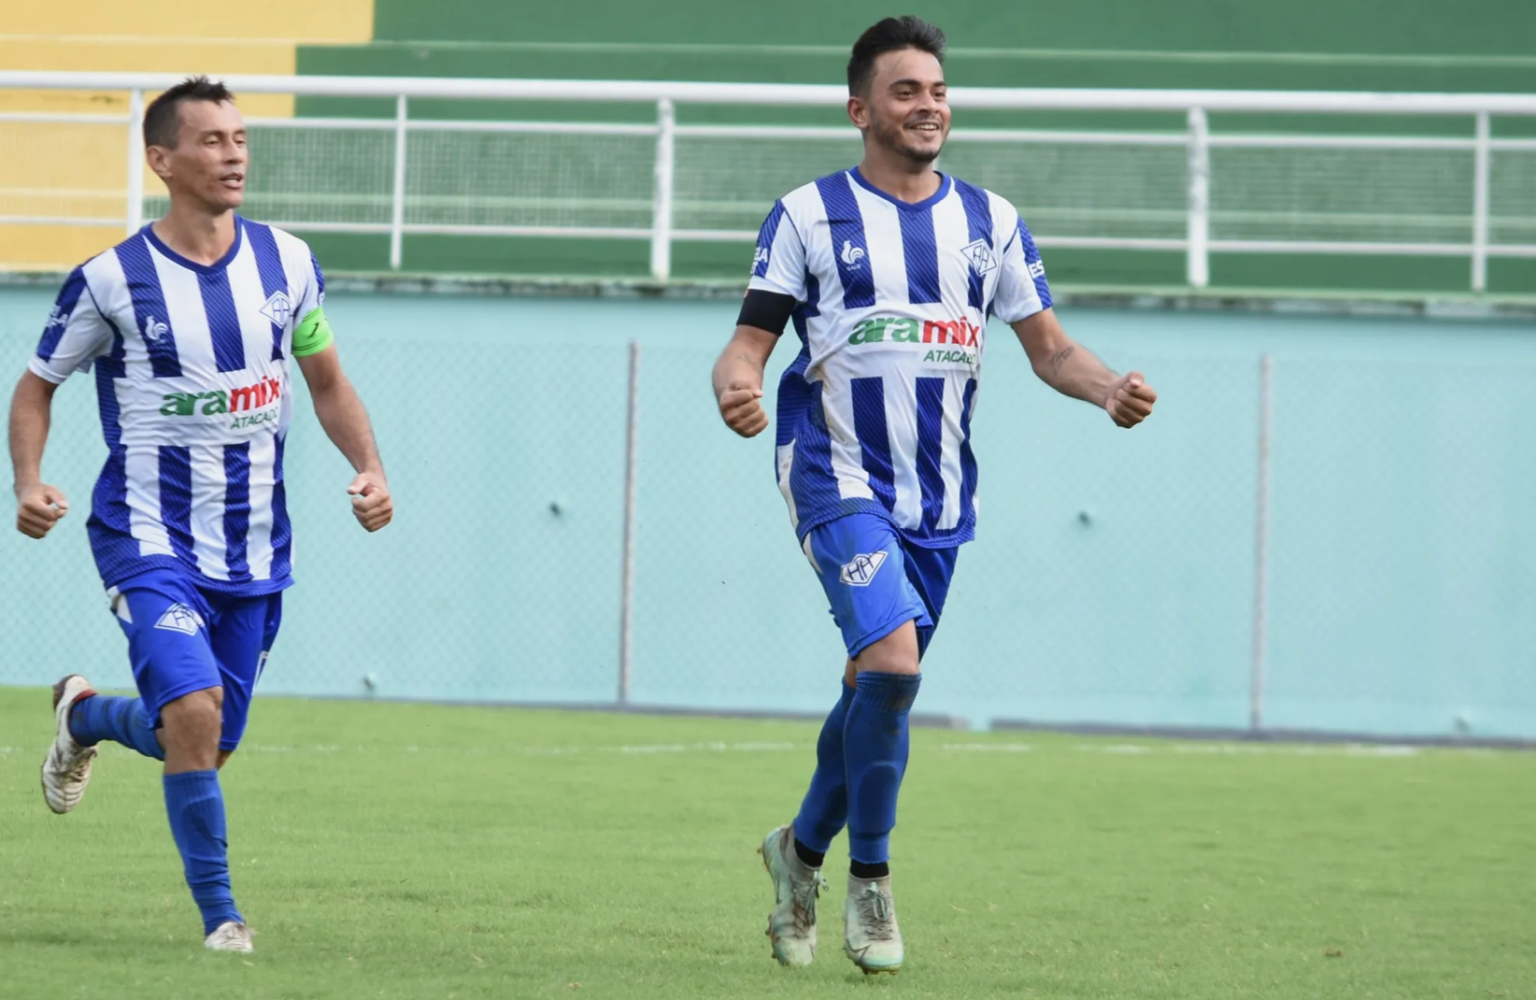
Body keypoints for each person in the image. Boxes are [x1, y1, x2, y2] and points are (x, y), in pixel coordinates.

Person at [711, 16, 1158, 975]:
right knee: (896, 668)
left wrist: (1108, 388)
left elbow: (1051, 350)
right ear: (860, 108)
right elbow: (747, 345)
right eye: (907, 91)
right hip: (833, 475)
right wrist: (735, 389)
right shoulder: (806, 216)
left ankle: (797, 851)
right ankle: (869, 884)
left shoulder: (988, 222)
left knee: (873, 688)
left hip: (940, 501)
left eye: (939, 91)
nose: (929, 106)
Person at [10, 76, 393, 953]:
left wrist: (370, 468)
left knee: (206, 740)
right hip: (147, 536)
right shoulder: (110, 281)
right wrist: (28, 481)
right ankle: (224, 916)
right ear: (162, 160)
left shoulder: (287, 264)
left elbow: (325, 380)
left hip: (255, 546)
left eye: (241, 139)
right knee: (191, 709)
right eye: (213, 141)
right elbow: (37, 385)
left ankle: (83, 718)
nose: (234, 155)